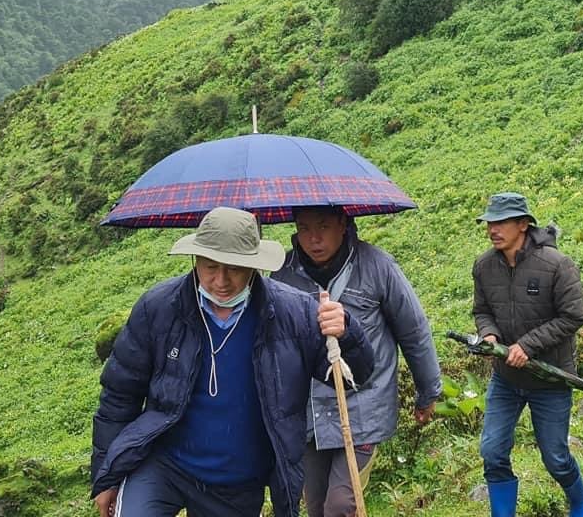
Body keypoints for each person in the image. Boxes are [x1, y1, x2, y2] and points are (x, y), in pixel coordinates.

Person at [91, 207, 374, 517]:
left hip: (236, 483)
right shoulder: (159, 309)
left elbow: (353, 377)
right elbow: (119, 396)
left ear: (254, 266)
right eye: (210, 267)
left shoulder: (295, 315)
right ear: (195, 260)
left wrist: (345, 333)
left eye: (235, 269)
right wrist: (107, 475)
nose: (221, 281)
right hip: (163, 466)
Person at [272, 206, 441, 517]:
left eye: (323, 227)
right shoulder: (282, 275)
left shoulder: (377, 265)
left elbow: (413, 330)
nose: (313, 238)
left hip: (363, 411)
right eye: (304, 228)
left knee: (341, 506)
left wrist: (427, 391)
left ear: (343, 224)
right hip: (309, 416)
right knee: (316, 508)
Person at [471, 192, 583, 517]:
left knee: (555, 457)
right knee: (492, 452)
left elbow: (574, 316)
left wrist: (527, 345)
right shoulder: (484, 266)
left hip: (549, 377)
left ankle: (579, 500)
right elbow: (482, 310)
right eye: (489, 222)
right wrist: (489, 334)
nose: (493, 229)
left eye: (502, 222)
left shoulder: (556, 265)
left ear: (523, 224)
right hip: (506, 378)